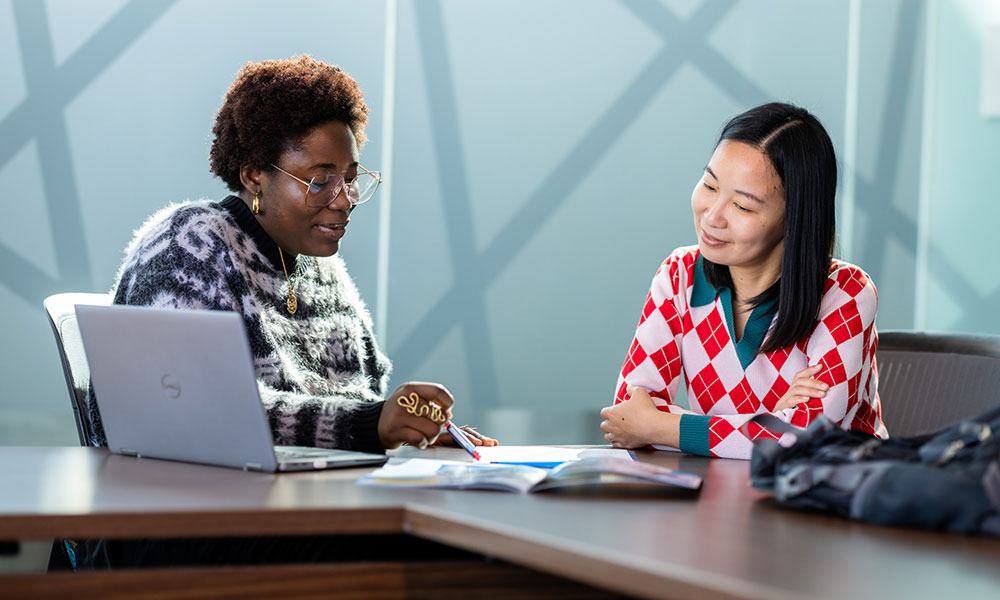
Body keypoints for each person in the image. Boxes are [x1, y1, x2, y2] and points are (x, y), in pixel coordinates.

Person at [63, 56, 495, 570]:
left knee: (483, 539)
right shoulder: (191, 241)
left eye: (352, 179)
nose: (345, 200)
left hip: (300, 510)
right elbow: (204, 415)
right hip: (184, 525)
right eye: (320, 180)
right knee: (455, 553)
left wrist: (409, 425)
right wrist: (368, 423)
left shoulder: (320, 267)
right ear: (254, 176)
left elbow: (362, 399)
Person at [600, 102, 887, 460]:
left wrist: (660, 427)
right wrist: (769, 423)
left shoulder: (845, 293)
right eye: (709, 185)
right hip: (719, 497)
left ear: (794, 218)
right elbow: (628, 414)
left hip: (835, 502)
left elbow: (807, 439)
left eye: (743, 207)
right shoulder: (679, 275)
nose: (713, 216)